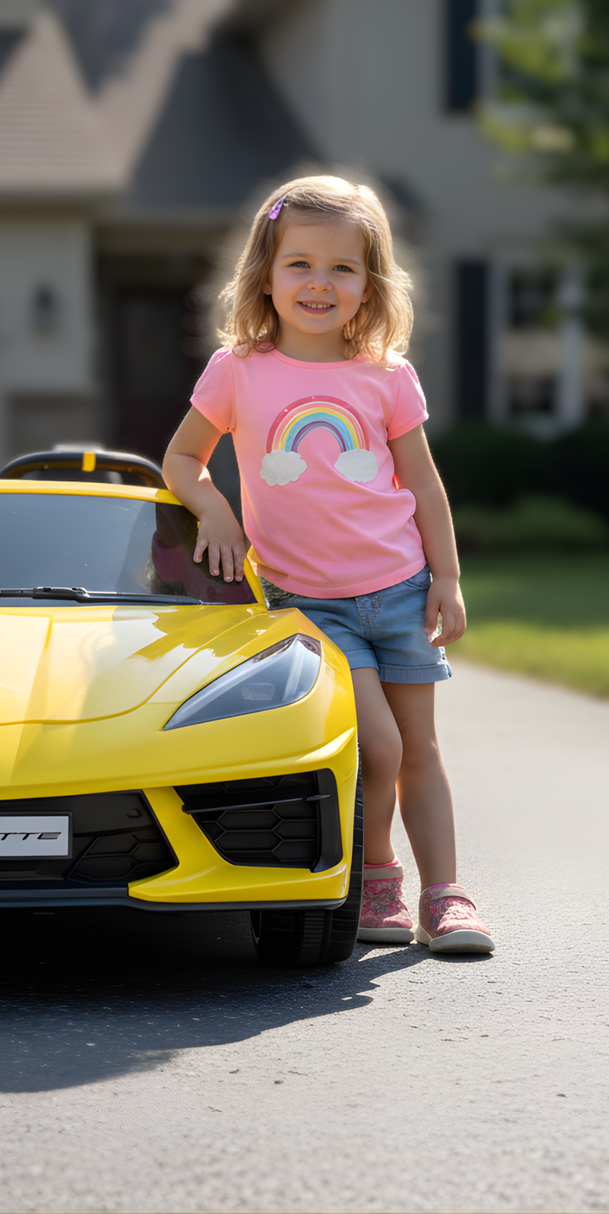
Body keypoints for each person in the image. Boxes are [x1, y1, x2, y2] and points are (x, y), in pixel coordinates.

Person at [164, 175, 494, 954]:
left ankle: (445, 896)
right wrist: (217, 509)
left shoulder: (387, 375)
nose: (320, 283)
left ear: (369, 284)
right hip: (309, 605)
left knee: (420, 750)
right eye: (300, 265)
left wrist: (447, 578)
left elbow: (424, 487)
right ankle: (378, 876)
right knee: (377, 746)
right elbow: (181, 459)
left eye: (342, 268)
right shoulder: (238, 370)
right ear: (265, 276)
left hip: (402, 589)